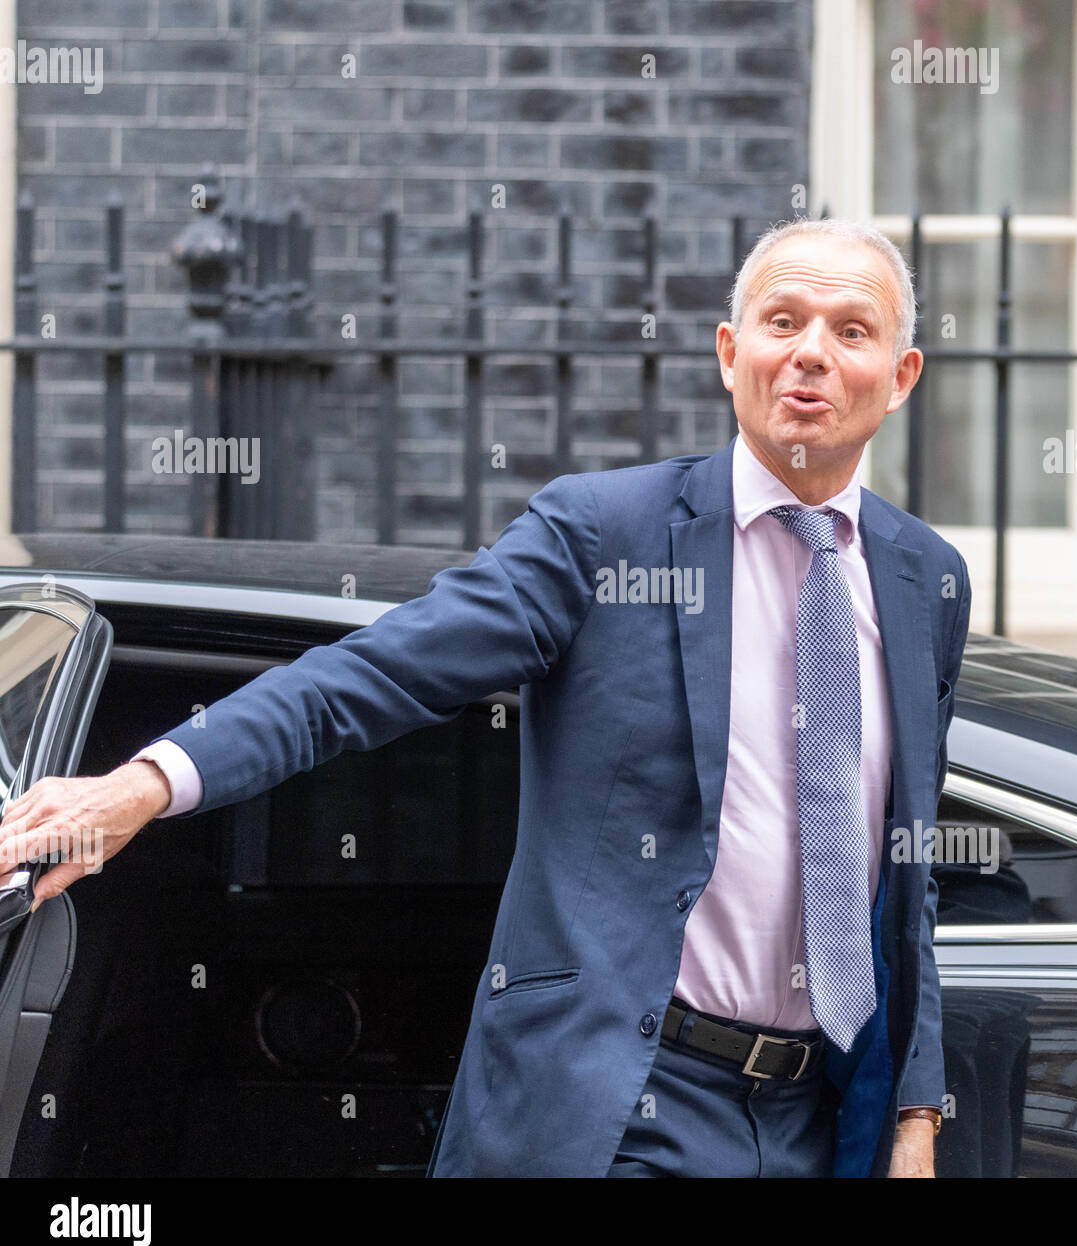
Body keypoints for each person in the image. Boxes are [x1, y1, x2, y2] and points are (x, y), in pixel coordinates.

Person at [0, 217, 970, 1178]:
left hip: (819, 1117)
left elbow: (904, 873)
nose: (809, 353)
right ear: (729, 354)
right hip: (623, 1107)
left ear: (899, 376)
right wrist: (140, 785)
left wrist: (914, 1113)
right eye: (781, 320)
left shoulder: (924, 579)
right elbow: (375, 674)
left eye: (849, 331)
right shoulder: (605, 535)